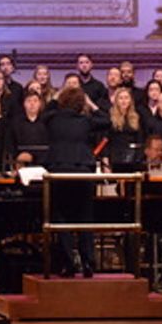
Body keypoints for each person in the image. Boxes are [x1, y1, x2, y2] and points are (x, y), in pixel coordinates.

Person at [45, 86, 110, 278]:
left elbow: (45, 113)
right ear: (80, 104)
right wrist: (91, 104)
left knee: (60, 217)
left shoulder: (53, 119)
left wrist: (56, 98)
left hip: (58, 170)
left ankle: (68, 263)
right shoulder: (85, 121)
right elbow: (106, 121)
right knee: (84, 217)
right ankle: (88, 262)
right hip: (82, 170)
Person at [8, 91, 48, 166]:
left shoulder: (47, 122)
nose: (32, 104)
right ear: (24, 104)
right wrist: (17, 157)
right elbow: (10, 144)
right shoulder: (15, 122)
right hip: (21, 162)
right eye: (29, 101)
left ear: (40, 104)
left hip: (44, 163)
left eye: (35, 101)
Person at [105, 87, 143, 168]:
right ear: (116, 101)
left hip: (133, 157)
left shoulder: (137, 117)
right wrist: (106, 157)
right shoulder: (109, 117)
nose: (123, 101)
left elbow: (140, 139)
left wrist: (139, 156)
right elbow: (106, 139)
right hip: (115, 157)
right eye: (121, 98)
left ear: (130, 100)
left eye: (126, 98)